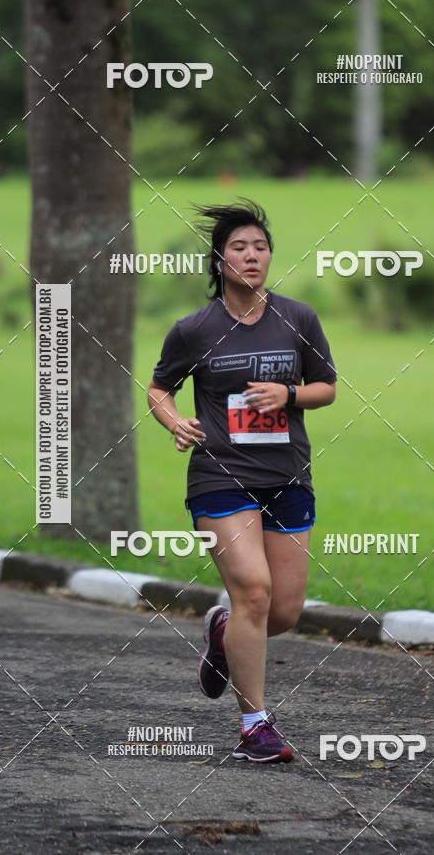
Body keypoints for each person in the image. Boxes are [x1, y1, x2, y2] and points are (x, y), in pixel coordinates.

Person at [148, 199, 336, 763]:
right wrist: (175, 421)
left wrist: (290, 394)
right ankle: (254, 725)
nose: (252, 256)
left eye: (260, 247)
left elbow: (326, 386)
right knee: (255, 590)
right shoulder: (194, 329)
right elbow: (159, 388)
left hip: (287, 477)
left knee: (282, 611)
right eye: (239, 248)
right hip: (219, 477)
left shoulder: (297, 319)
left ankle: (224, 631)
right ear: (219, 260)